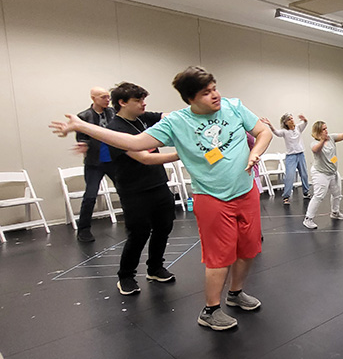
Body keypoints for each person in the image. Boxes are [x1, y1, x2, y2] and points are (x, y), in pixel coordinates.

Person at [51, 66, 272, 331]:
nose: (215, 95)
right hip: (212, 197)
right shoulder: (176, 123)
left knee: (248, 249)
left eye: (214, 88)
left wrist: (255, 152)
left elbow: (264, 132)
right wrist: (83, 126)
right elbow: (134, 144)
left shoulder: (233, 106)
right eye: (206, 92)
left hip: (245, 192)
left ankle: (235, 294)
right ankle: (210, 310)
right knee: (220, 256)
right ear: (191, 98)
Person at [107, 82, 179, 295]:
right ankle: (126, 276)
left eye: (143, 99)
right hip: (134, 190)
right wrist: (183, 154)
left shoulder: (143, 118)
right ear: (122, 102)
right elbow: (145, 158)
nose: (143, 103)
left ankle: (155, 268)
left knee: (164, 226)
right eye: (138, 100)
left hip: (158, 184)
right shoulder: (115, 130)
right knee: (139, 233)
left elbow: (170, 116)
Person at [74, 87, 117, 242]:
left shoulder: (113, 112)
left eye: (108, 97)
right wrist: (83, 145)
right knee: (90, 195)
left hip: (113, 160)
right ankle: (83, 230)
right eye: (103, 97)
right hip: (95, 162)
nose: (107, 100)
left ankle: (135, 222)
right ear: (93, 98)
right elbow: (82, 136)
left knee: (126, 190)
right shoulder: (84, 116)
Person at [303, 121, 343, 229]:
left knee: (337, 194)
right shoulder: (314, 143)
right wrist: (322, 141)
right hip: (320, 173)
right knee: (319, 195)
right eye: (323, 129)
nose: (326, 131)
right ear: (318, 132)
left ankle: (335, 213)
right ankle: (308, 219)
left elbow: (341, 136)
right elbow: (315, 150)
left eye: (326, 128)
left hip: (333, 172)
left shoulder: (331, 138)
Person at [261, 113, 311, 204]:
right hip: (291, 156)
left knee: (304, 174)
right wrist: (270, 124)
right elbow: (276, 133)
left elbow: (305, 123)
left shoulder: (298, 128)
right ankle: (286, 197)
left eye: (292, 118)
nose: (292, 120)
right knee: (289, 176)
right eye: (289, 119)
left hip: (300, 155)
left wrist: (305, 119)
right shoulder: (284, 131)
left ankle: (306, 192)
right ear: (285, 123)